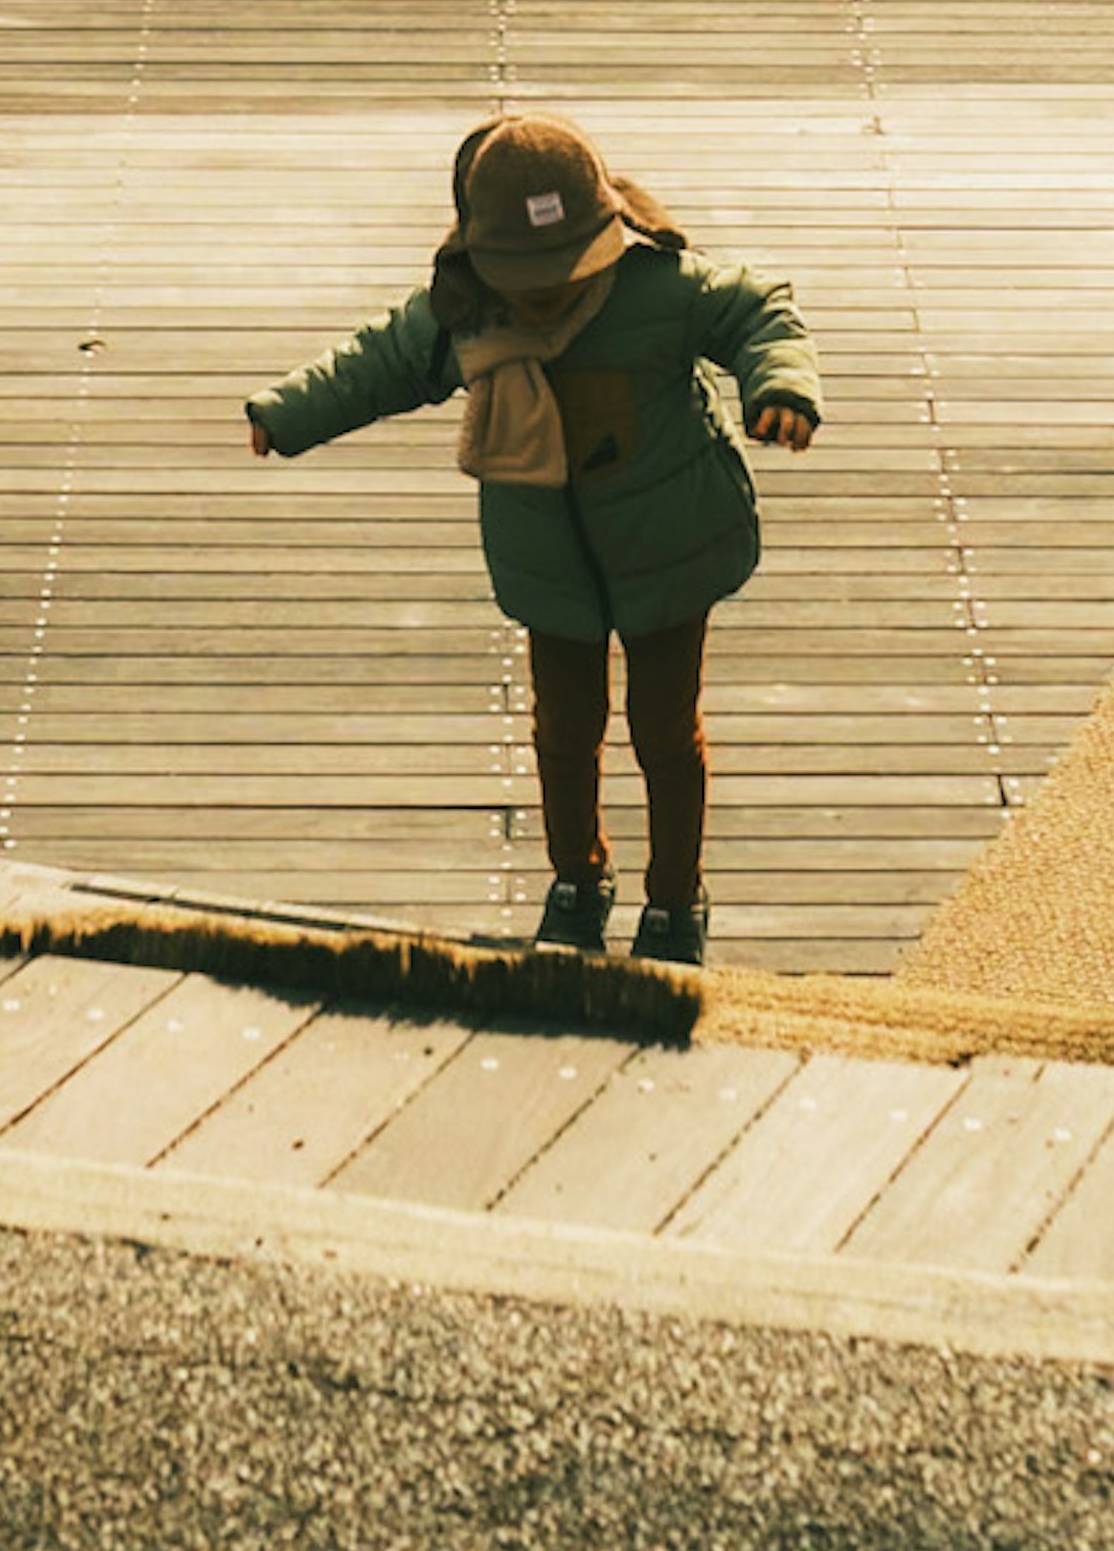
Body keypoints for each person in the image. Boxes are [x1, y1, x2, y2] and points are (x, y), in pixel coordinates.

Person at [243, 105, 820, 965]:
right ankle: (579, 880)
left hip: (670, 545)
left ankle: (674, 900)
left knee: (665, 729)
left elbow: (758, 310)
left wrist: (781, 386)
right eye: (529, 270)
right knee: (563, 730)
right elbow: (379, 364)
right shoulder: (464, 311)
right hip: (552, 568)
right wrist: (288, 412)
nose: (549, 287)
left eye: (567, 265)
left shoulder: (659, 288)